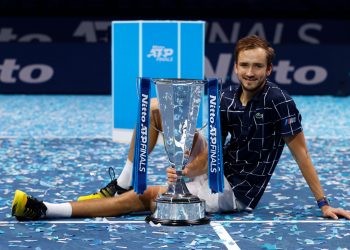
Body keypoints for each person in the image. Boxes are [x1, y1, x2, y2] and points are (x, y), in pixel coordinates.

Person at [12, 35, 350, 221]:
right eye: (244, 65)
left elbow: (301, 153)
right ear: (235, 66)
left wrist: (323, 202)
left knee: (142, 199)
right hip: (217, 169)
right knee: (158, 108)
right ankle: (121, 182)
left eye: (257, 66)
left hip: (235, 192)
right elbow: (213, 149)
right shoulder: (227, 97)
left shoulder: (279, 102)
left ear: (269, 68)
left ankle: (47, 210)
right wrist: (188, 169)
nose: (250, 72)